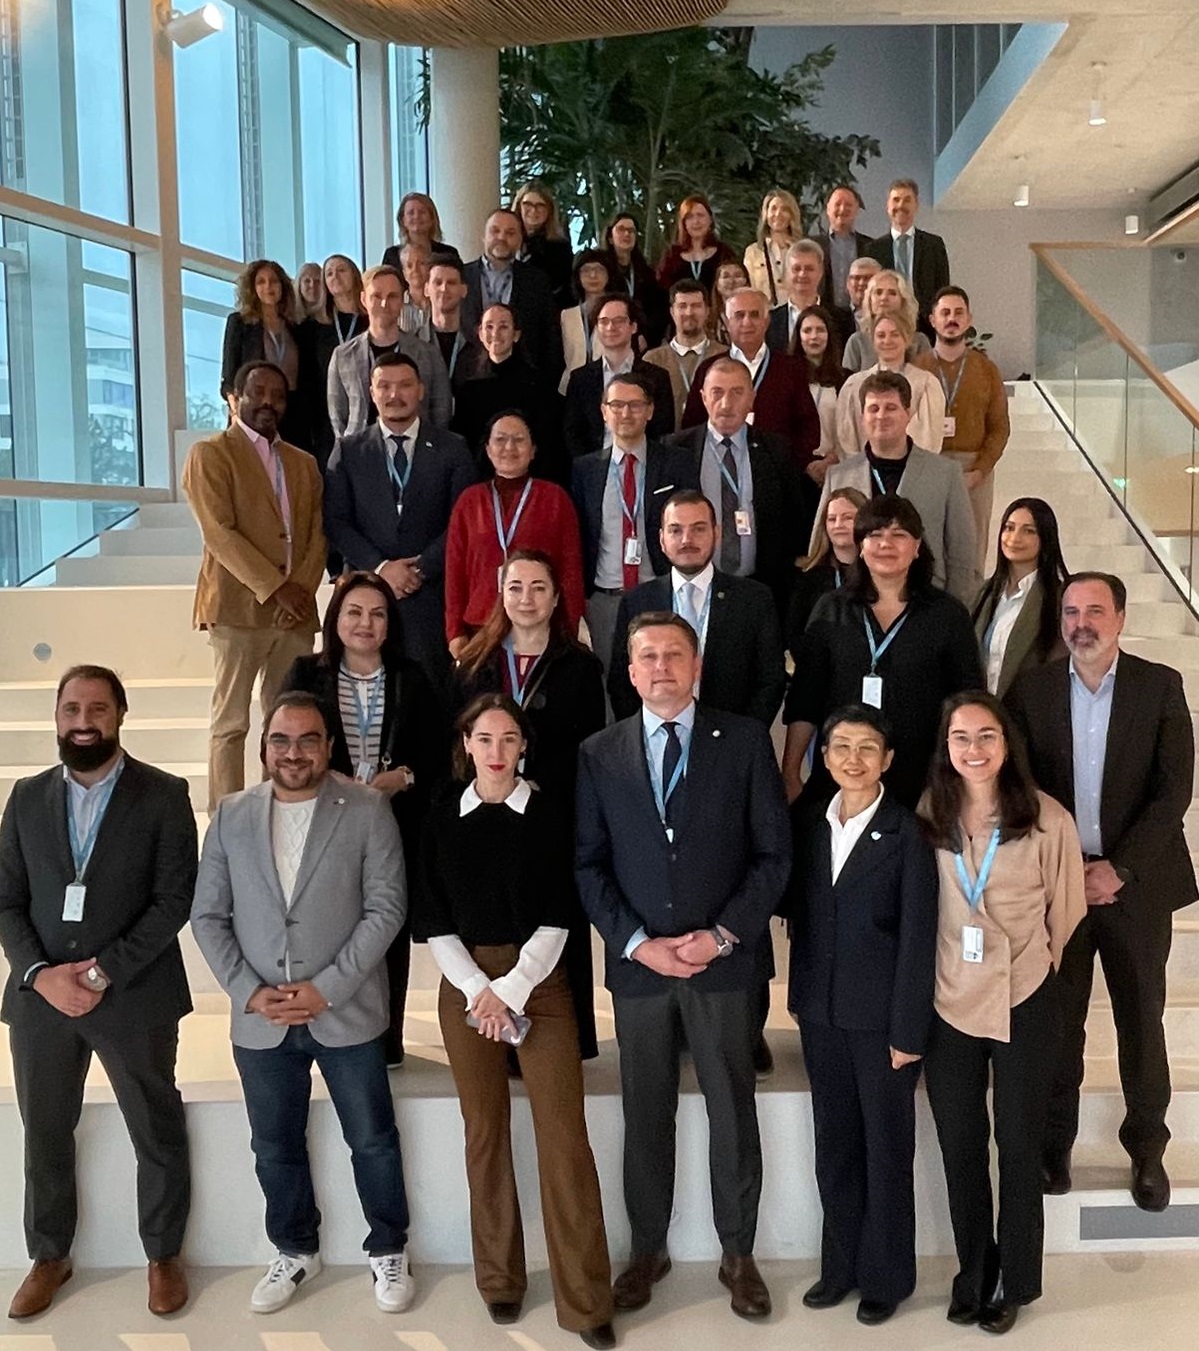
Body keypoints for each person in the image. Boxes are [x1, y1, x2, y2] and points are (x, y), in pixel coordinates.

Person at [576, 612, 791, 1321]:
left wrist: (722, 936)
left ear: (696, 667)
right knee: (644, 1112)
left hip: (722, 966)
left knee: (732, 1108)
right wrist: (638, 944)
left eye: (674, 654)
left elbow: (773, 856)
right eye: (647, 657)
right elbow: (588, 865)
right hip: (640, 969)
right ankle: (647, 1250)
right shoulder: (599, 752)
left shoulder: (745, 741)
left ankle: (739, 1254)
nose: (661, 667)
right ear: (630, 672)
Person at [191, 691, 415, 1314]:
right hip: (260, 1018)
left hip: (345, 1010)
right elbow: (207, 915)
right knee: (273, 1145)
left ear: (328, 746)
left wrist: (326, 989)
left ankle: (388, 1247)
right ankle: (294, 1248)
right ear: (264, 748)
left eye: (308, 740)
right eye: (281, 741)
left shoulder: (367, 808)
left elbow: (386, 908)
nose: (294, 753)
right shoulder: (232, 814)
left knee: (372, 1140)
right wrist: (249, 992)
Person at [0, 666, 197, 1320]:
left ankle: (163, 1255)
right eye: (72, 708)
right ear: (57, 716)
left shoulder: (164, 794)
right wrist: (40, 974)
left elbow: (174, 900)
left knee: (155, 1126)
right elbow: (6, 901)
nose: (83, 721)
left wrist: (102, 971)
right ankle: (49, 1255)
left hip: (134, 993)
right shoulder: (26, 797)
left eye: (97, 708)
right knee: (45, 1132)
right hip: (42, 1000)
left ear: (120, 714)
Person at [418, 694, 614, 1347]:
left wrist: (512, 988)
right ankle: (500, 1280)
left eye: (508, 738)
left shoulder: (551, 812)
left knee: (564, 1140)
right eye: (484, 738)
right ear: (466, 744)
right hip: (465, 987)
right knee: (485, 1133)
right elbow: (433, 918)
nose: (496, 750)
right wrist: (481, 990)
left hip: (542, 985)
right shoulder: (441, 814)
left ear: (523, 745)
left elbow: (560, 913)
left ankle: (586, 1302)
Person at [1006, 573, 1196, 1213]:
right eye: (1070, 612)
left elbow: (1173, 792)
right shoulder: (1032, 690)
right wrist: (1067, 869)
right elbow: (1021, 786)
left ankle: (1147, 1149)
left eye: (1094, 610)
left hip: (1137, 885)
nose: (1081, 623)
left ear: (1120, 617)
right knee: (1059, 1023)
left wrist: (1119, 869)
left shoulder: (1160, 685)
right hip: (1059, 884)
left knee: (1141, 1018)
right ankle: (1054, 1146)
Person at [920, 692, 1085, 1334]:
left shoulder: (1047, 818)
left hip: (1025, 997)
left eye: (987, 736)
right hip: (951, 1000)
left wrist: (1029, 965)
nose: (974, 749)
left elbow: (1065, 913)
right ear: (946, 747)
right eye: (961, 737)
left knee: (1017, 1146)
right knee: (960, 1147)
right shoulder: (931, 810)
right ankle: (974, 1271)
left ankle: (1015, 1281)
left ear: (1007, 743)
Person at [787, 702, 937, 1326]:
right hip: (820, 1013)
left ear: (888, 759)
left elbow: (919, 939)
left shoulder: (908, 834)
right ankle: (839, 1268)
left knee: (886, 1150)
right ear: (823, 757)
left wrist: (908, 1030)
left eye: (867, 747)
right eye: (841, 746)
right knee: (835, 1146)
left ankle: (886, 1277)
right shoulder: (808, 825)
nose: (854, 759)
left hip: (882, 1025)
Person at [284, 574, 446, 1065]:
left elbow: (440, 756)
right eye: (354, 612)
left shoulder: (412, 677)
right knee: (331, 928)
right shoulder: (306, 673)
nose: (365, 623)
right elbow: (283, 745)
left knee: (386, 927)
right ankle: (327, 1032)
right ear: (335, 618)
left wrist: (404, 778)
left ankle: (387, 1038)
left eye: (377, 614)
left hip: (393, 824)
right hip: (322, 824)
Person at [454, 552, 606, 1058]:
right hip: (486, 817)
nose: (526, 598)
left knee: (555, 921)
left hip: (552, 816)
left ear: (557, 598)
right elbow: (457, 742)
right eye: (516, 587)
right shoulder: (473, 663)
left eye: (539, 588)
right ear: (501, 594)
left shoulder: (580, 665)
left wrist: (539, 786)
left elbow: (589, 746)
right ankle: (492, 1034)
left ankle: (564, 1039)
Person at [182, 361, 325, 809]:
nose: (268, 402)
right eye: (257, 392)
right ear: (235, 398)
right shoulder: (210, 454)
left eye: (277, 396)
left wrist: (300, 590)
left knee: (288, 723)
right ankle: (225, 819)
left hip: (294, 614)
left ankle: (280, 809)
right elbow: (219, 533)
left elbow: (318, 535)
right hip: (237, 610)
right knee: (231, 722)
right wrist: (276, 588)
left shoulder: (303, 463)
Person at [782, 493, 983, 807]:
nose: (886, 544)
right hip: (842, 775)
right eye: (875, 535)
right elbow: (806, 697)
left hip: (922, 780)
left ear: (917, 547)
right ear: (861, 546)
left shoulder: (948, 615)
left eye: (899, 535)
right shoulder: (831, 609)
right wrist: (791, 771)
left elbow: (968, 699)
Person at [323, 352, 476, 691]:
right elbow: (336, 522)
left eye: (405, 385)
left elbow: (462, 520)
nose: (395, 395)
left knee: (431, 694)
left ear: (421, 390)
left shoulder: (453, 449)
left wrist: (419, 569)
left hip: (431, 595)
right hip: (367, 592)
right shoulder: (348, 451)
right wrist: (380, 569)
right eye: (385, 386)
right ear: (371, 392)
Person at [608, 489, 784, 727]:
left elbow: (770, 680)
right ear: (662, 539)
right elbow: (621, 681)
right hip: (657, 737)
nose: (686, 540)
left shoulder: (753, 599)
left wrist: (743, 737)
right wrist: (647, 735)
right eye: (675, 530)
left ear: (716, 534)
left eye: (698, 529)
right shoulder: (637, 601)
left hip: (733, 737)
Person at [815, 371, 977, 601]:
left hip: (926, 600)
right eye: (873, 409)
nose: (881, 416)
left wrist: (956, 609)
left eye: (891, 407)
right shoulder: (839, 476)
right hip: (856, 602)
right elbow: (820, 549)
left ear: (908, 414)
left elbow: (962, 553)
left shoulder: (946, 473)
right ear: (862, 417)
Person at [571, 372, 693, 678]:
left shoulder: (676, 462)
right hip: (605, 598)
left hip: (658, 592)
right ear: (604, 412)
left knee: (663, 675)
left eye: (635, 405)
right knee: (608, 679)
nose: (625, 413)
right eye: (617, 405)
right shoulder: (585, 469)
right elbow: (579, 535)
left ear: (649, 411)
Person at [667, 355, 805, 613]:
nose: (726, 403)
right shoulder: (677, 449)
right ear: (703, 397)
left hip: (763, 588)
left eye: (737, 393)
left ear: (752, 398)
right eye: (717, 392)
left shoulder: (777, 450)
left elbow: (794, 519)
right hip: (694, 587)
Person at [445, 411, 585, 657]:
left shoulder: (555, 499)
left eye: (519, 440)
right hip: (480, 627)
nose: (509, 447)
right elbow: (455, 573)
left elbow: (571, 571)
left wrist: (569, 629)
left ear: (533, 450)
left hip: (541, 628)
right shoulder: (469, 501)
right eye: (500, 439)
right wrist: (455, 632)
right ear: (488, 449)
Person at [682, 289, 822, 486]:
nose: (747, 322)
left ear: (767, 321)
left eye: (754, 315)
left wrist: (790, 463)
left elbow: (807, 426)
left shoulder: (791, 368)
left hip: (778, 476)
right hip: (719, 472)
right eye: (739, 315)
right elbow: (692, 424)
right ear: (727, 322)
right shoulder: (709, 369)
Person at [914, 286, 1011, 565]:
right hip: (930, 463)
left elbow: (999, 427)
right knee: (928, 546)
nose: (951, 319)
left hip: (973, 469)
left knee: (973, 548)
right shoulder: (917, 369)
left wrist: (980, 470)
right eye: (945, 313)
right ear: (932, 320)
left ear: (969, 320)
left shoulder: (987, 370)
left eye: (958, 313)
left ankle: (972, 595)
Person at [327, 265, 451, 440]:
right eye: (377, 296)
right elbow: (337, 416)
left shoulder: (428, 353)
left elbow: (441, 410)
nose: (384, 304)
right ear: (363, 299)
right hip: (360, 449)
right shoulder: (342, 356)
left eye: (392, 296)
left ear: (402, 300)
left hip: (417, 448)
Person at [452, 303, 566, 482]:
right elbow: (466, 445)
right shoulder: (469, 389)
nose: (495, 333)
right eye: (489, 327)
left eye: (504, 327)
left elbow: (548, 443)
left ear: (516, 335)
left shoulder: (538, 385)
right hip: (482, 483)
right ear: (480, 334)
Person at [973, 498, 1069, 698]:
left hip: (1030, 707)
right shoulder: (983, 593)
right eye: (1009, 528)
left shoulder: (1059, 598)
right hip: (982, 708)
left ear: (1045, 538)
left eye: (1028, 531)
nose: (1014, 538)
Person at [563, 293, 674, 455]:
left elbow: (663, 431)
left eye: (619, 321)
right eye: (604, 322)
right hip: (594, 463)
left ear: (633, 327)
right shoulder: (580, 378)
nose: (610, 327)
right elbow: (573, 432)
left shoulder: (657, 377)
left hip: (643, 461)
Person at [461, 209, 563, 381]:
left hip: (526, 383)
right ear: (483, 236)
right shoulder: (460, 277)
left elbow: (549, 338)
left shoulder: (537, 281)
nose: (501, 237)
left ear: (520, 240)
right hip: (469, 380)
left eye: (510, 233)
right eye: (495, 231)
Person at [221, 259, 311, 450]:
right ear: (252, 288)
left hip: (293, 413)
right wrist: (236, 411)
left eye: (274, 281)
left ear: (283, 286)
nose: (268, 287)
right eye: (261, 282)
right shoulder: (240, 323)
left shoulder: (296, 328)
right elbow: (229, 375)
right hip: (254, 411)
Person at [838, 312, 945, 455]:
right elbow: (847, 439)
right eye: (881, 335)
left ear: (906, 339)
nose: (887, 341)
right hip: (864, 466)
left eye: (895, 335)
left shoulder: (925, 384)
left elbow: (929, 440)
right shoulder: (854, 385)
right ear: (873, 340)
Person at [299, 254, 367, 471]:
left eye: (341, 270)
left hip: (367, 415)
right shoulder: (312, 328)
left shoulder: (371, 321)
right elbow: (307, 379)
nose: (335, 276)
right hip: (325, 421)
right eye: (329, 273)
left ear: (355, 275)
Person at [786, 486, 866, 660]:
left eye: (848, 518)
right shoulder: (808, 576)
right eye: (831, 519)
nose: (838, 525)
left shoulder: (877, 574)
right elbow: (794, 633)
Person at [865, 178, 951, 334]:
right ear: (887, 206)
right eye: (896, 200)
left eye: (907, 200)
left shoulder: (934, 245)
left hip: (926, 326)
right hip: (887, 325)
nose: (900, 205)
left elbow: (943, 288)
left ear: (916, 205)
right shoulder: (873, 249)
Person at [641, 278, 726, 428]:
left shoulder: (724, 356)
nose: (689, 312)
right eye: (682, 306)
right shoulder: (652, 360)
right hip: (667, 438)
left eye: (696, 306)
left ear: (707, 311)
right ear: (672, 312)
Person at [809, 185, 873, 343]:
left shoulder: (870, 246)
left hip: (861, 319)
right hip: (825, 317)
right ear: (828, 209)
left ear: (857, 210)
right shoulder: (813, 245)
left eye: (848, 205)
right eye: (837, 204)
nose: (843, 209)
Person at [842, 269, 931, 373]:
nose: (884, 298)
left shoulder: (919, 341)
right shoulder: (856, 342)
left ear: (903, 300)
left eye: (892, 293)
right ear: (869, 300)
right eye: (878, 292)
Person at [600, 211, 667, 346]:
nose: (626, 234)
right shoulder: (602, 270)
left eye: (631, 231)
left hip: (642, 341)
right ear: (610, 237)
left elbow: (658, 309)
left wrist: (647, 336)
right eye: (621, 229)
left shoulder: (645, 272)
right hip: (609, 335)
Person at [794, 304, 847, 473]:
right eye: (807, 330)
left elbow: (850, 427)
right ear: (798, 336)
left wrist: (833, 459)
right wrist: (806, 464)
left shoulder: (846, 379)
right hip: (797, 467)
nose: (814, 336)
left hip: (837, 464)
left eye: (820, 330)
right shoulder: (787, 377)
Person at [512, 180, 575, 310]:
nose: (533, 210)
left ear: (549, 210)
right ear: (519, 206)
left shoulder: (560, 248)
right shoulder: (507, 241)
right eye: (527, 204)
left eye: (540, 205)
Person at [655, 194, 736, 293]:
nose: (696, 221)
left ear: (710, 219)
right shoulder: (671, 255)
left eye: (700, 215)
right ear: (684, 223)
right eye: (689, 217)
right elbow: (660, 289)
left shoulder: (724, 253)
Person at [743, 188, 803, 306]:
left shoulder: (802, 250)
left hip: (797, 311)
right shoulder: (753, 252)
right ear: (766, 214)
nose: (778, 214)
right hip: (766, 312)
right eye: (773, 209)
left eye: (784, 209)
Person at [561, 249, 611, 390]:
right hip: (572, 387)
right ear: (578, 277)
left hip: (609, 385)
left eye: (599, 269)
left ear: (608, 274)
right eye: (586, 270)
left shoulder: (618, 313)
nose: (593, 275)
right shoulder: (566, 316)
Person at [765, 240, 827, 353]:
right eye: (796, 269)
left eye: (809, 269)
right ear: (786, 273)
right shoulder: (770, 321)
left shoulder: (841, 319)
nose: (802, 274)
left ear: (821, 272)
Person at [427, 256, 476, 385]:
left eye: (451, 283)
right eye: (438, 282)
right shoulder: (411, 343)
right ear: (426, 289)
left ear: (464, 290)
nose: (444, 288)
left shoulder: (478, 343)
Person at [382, 191, 460, 269]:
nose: (416, 216)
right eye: (411, 213)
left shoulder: (448, 254)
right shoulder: (392, 255)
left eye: (422, 212)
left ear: (432, 219)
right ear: (403, 220)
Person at [843, 256, 882, 354]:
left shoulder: (893, 316)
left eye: (868, 278)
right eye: (856, 278)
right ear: (848, 283)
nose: (861, 283)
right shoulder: (833, 318)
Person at [709, 259, 752, 346]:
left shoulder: (758, 314)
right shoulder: (708, 317)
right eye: (726, 276)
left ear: (746, 282)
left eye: (738, 276)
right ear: (717, 284)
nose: (732, 281)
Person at [398, 242, 433, 341]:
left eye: (421, 263)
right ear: (404, 273)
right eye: (409, 265)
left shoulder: (440, 302)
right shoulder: (397, 305)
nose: (415, 270)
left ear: (430, 268)